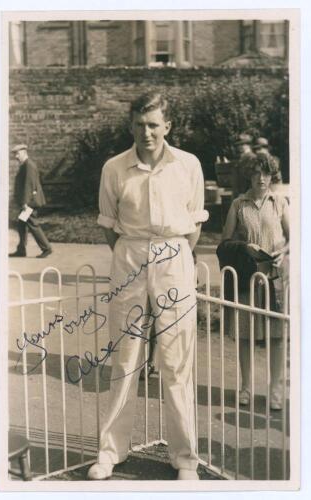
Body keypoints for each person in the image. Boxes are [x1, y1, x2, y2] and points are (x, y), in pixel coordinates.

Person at [88, 92, 208, 481]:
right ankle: (111, 452)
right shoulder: (114, 168)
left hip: (174, 258)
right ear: (131, 126)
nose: (147, 132)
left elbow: (194, 225)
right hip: (130, 256)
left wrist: (171, 256)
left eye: (154, 124)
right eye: (139, 124)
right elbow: (110, 227)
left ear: (167, 126)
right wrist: (135, 254)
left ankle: (185, 458)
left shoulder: (188, 165)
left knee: (176, 362)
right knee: (125, 360)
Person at [220, 152, 289, 410]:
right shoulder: (239, 204)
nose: (262, 178)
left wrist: (284, 253)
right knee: (246, 334)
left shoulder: (279, 202)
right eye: (256, 173)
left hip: (275, 276)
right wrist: (243, 247)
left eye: (267, 173)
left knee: (277, 335)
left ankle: (275, 391)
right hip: (249, 277)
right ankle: (246, 387)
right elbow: (225, 242)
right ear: (248, 175)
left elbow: (296, 238)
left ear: (273, 175)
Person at [9, 144, 52, 258]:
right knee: (21, 223)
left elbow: (29, 185)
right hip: (29, 201)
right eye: (15, 154)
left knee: (32, 223)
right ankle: (21, 250)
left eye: (17, 154)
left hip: (30, 202)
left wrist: (25, 203)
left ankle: (46, 248)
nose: (16, 157)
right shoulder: (25, 165)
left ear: (23, 152)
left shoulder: (28, 166)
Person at [231, 133, 255, 199]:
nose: (239, 147)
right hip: (239, 196)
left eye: (242, 144)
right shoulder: (240, 158)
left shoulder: (251, 158)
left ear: (248, 145)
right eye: (238, 145)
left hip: (247, 196)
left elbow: (253, 179)